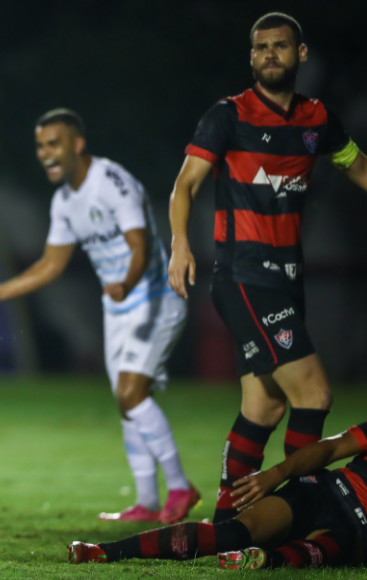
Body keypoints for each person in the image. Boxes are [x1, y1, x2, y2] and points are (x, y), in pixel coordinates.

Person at [167, 12, 367, 523]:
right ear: (251, 57)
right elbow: (185, 185)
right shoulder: (228, 116)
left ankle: (229, 517)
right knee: (315, 392)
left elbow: (358, 165)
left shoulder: (318, 120)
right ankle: (300, 509)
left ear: (300, 55)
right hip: (243, 278)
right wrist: (179, 245)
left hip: (287, 283)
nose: (269, 54)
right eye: (260, 48)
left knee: (265, 408)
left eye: (280, 46)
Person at [0, 109, 197, 523]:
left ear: (77, 145)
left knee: (131, 394)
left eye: (54, 144)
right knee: (127, 403)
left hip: (154, 298)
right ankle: (147, 501)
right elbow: (51, 264)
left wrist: (126, 283)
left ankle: (180, 487)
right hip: (117, 307)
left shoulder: (110, 182)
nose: (45, 153)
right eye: (41, 146)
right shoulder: (64, 201)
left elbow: (141, 247)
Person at [68, 420, 367, 569]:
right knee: (233, 533)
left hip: (357, 534)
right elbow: (331, 447)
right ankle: (106, 550)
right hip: (326, 492)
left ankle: (261, 560)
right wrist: (275, 474)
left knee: (324, 549)